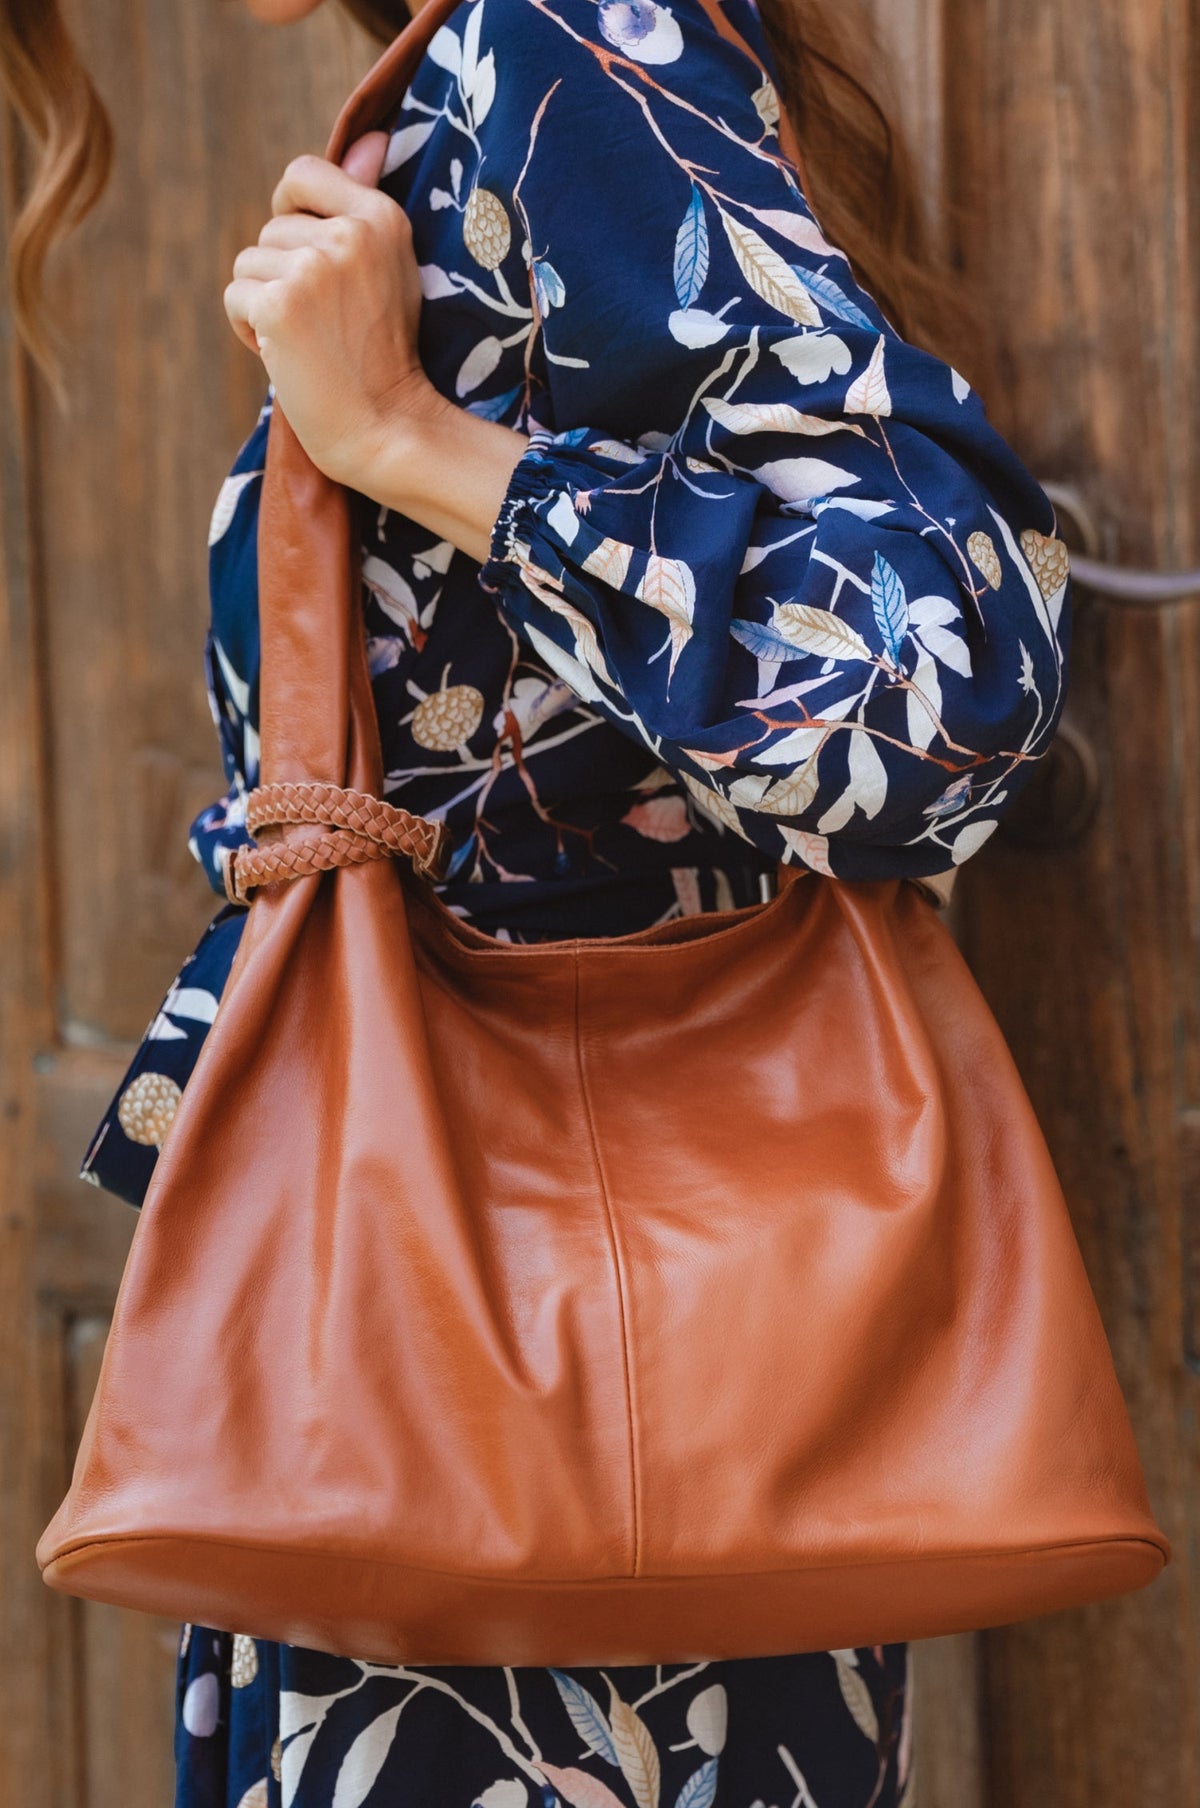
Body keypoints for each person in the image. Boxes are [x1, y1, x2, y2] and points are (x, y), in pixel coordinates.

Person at [4, 0, 1072, 1800]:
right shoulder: (469, 91)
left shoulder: (559, 50)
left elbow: (949, 683)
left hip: (545, 1488)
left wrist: (416, 443)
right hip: (466, 1419)